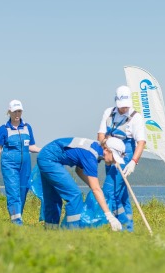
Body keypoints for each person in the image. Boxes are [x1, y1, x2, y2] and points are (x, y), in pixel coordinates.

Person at [36, 136, 126, 230]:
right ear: (107, 150)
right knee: (74, 195)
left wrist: (95, 188)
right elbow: (96, 189)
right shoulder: (91, 156)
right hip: (49, 159)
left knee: (53, 199)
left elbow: (79, 170)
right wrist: (109, 216)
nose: (114, 161)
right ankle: (71, 233)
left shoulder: (95, 149)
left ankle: (50, 232)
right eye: (114, 157)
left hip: (46, 156)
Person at [97, 85, 147, 232]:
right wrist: (107, 144)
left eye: (125, 106)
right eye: (121, 106)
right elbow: (100, 135)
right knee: (121, 194)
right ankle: (127, 228)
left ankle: (108, 225)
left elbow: (141, 142)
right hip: (109, 152)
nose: (123, 109)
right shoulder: (109, 113)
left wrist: (133, 162)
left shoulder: (136, 118)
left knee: (110, 190)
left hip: (126, 156)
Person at [0, 100, 41, 225]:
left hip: (25, 166)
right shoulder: (3, 129)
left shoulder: (27, 127)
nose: (17, 114)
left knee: (22, 192)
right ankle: (17, 223)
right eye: (14, 111)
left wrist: (43, 150)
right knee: (13, 192)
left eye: (19, 111)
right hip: (9, 165)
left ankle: (17, 217)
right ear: (9, 112)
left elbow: (31, 147)